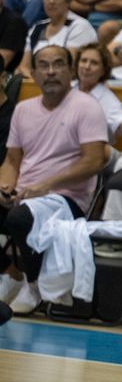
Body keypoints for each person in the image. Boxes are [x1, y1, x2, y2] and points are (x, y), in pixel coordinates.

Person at [0, 45, 106, 317]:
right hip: (26, 194)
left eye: (58, 64)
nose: (50, 72)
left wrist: (46, 185)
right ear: (32, 73)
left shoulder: (87, 107)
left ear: (71, 70)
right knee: (16, 211)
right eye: (43, 66)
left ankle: (33, 285)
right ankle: (9, 274)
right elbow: (12, 161)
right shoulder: (23, 109)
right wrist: (5, 186)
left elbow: (93, 161)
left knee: (20, 218)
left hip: (66, 198)